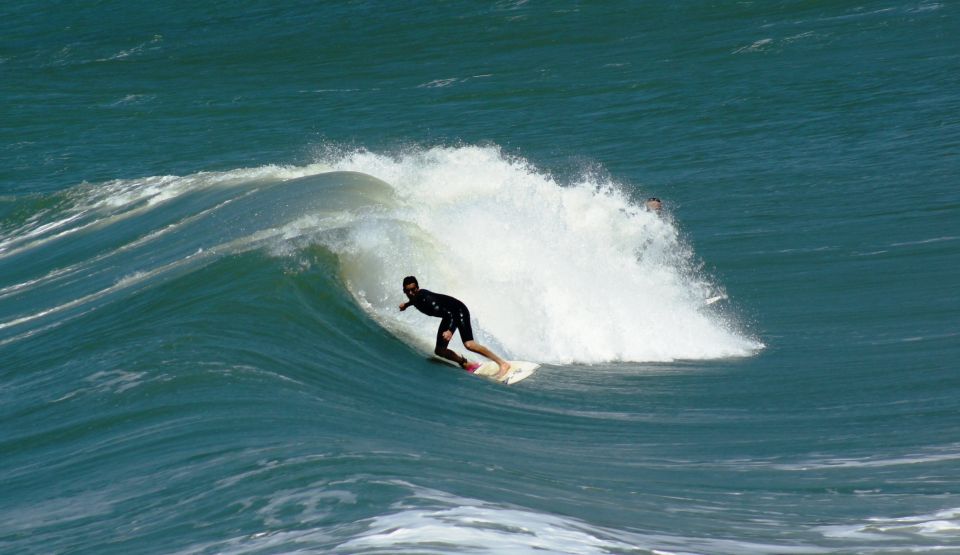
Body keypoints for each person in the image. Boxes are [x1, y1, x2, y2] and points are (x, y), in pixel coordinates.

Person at [399, 276, 511, 379]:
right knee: (439, 351)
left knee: (469, 344)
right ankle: (464, 362)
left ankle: (503, 364)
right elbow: (414, 301)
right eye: (407, 291)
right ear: (404, 290)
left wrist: (450, 331)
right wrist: (406, 305)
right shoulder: (415, 297)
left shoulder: (428, 300)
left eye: (413, 290)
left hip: (458, 311)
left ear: (417, 288)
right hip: (448, 315)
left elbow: (451, 313)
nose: (410, 293)